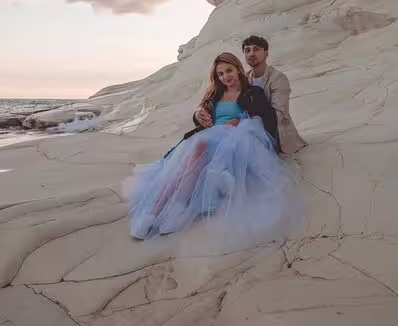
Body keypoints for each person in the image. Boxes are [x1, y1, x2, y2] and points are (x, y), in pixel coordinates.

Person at [127, 52, 297, 240]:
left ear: (238, 68)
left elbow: (264, 118)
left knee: (197, 151)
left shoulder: (252, 92)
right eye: (220, 74)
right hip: (211, 135)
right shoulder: (216, 92)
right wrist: (199, 113)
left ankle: (176, 208)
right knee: (180, 166)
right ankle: (155, 211)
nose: (225, 77)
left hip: (234, 139)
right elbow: (201, 116)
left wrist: (240, 122)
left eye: (229, 71)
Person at [195, 36, 306, 154]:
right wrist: (199, 113)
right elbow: (210, 104)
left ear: (266, 53)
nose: (251, 53)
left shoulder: (278, 78)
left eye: (256, 49)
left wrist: (243, 123)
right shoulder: (243, 79)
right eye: (247, 50)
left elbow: (278, 114)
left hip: (276, 132)